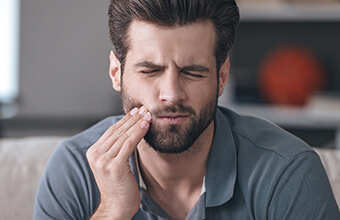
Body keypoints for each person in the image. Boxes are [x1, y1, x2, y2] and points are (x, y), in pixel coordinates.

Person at [34, 0, 340, 219]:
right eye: (150, 71)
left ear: (221, 78)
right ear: (116, 73)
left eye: (193, 72)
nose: (171, 94)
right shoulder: (74, 169)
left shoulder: (287, 172)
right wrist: (112, 210)